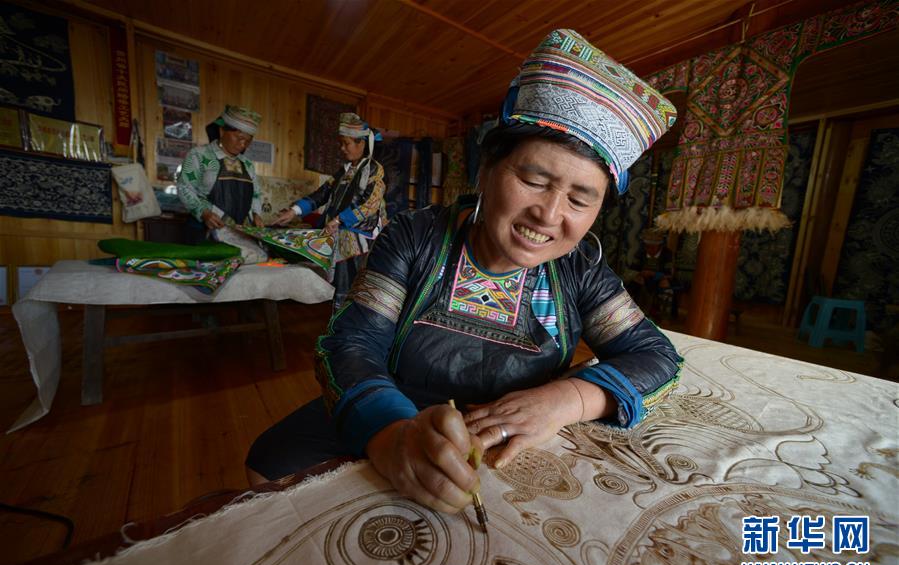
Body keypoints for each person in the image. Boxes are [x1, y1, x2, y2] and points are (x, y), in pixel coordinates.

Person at [247, 30, 683, 515]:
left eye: (580, 200)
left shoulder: (579, 270)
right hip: (390, 404)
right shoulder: (415, 237)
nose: (549, 215)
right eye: (533, 180)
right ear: (486, 171)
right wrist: (393, 433)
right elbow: (352, 343)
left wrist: (564, 400)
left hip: (510, 433)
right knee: (269, 465)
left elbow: (655, 356)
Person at [272, 113, 387, 308]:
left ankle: (344, 312)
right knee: (301, 244)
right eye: (341, 143)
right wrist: (294, 211)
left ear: (361, 143)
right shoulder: (343, 171)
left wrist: (339, 220)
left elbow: (370, 204)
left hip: (358, 233)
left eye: (346, 143)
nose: (342, 148)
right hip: (337, 228)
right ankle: (333, 308)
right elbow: (322, 193)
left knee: (347, 261)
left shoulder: (374, 169)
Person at [177, 105, 264, 241]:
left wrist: (256, 214)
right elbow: (184, 187)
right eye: (239, 138)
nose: (243, 145)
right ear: (222, 130)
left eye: (248, 141)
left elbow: (256, 194)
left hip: (238, 233)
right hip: (204, 230)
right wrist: (204, 213)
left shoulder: (247, 164)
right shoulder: (199, 155)